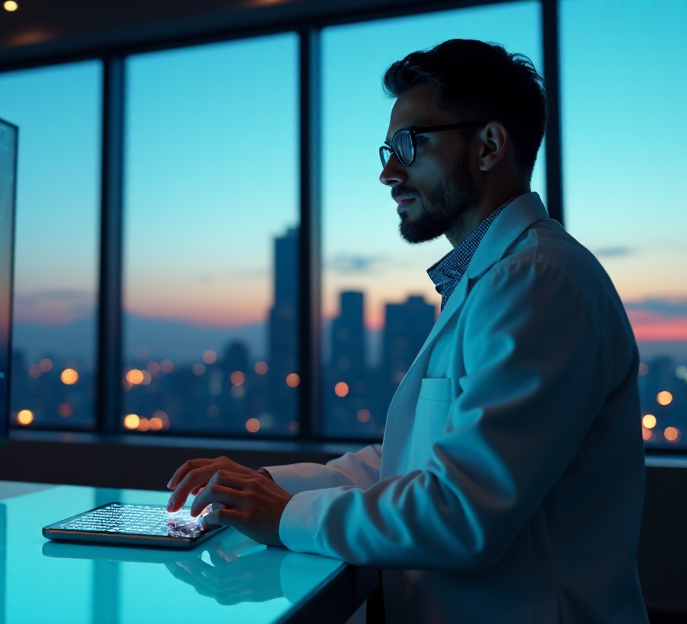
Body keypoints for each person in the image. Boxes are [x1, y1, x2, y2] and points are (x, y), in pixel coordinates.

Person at [165, 39, 648, 623]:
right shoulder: (496, 277)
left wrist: (284, 515)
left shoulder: (536, 281)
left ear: (490, 145)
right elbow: (411, 463)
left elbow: (463, 510)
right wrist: (265, 487)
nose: (388, 171)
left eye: (408, 145)